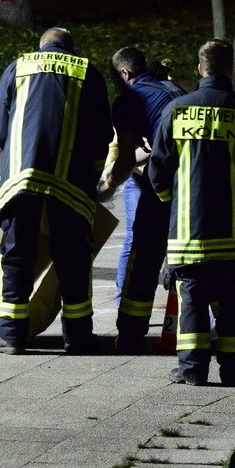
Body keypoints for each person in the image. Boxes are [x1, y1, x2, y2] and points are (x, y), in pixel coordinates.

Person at [147, 38, 235, 386]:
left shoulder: (177, 110)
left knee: (191, 300)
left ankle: (192, 370)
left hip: (190, 233)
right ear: (230, 68)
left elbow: (158, 169)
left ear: (199, 69)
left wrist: (173, 205)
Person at [0, 27, 113, 354]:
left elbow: (0, 125)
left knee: (17, 253)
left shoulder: (18, 66)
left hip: (22, 176)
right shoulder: (87, 71)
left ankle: (12, 335)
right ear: (70, 48)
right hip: (70, 181)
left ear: (42, 45)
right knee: (73, 256)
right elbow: (101, 131)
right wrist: (95, 174)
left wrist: (16, 153)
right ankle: (78, 336)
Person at [98, 47, 185, 353]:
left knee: (143, 255)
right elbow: (153, 144)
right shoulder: (173, 88)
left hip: (163, 181)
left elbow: (125, 158)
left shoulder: (129, 100)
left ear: (125, 74)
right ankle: (185, 330)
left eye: (114, 81)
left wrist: (107, 185)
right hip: (194, 184)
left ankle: (131, 334)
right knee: (186, 257)